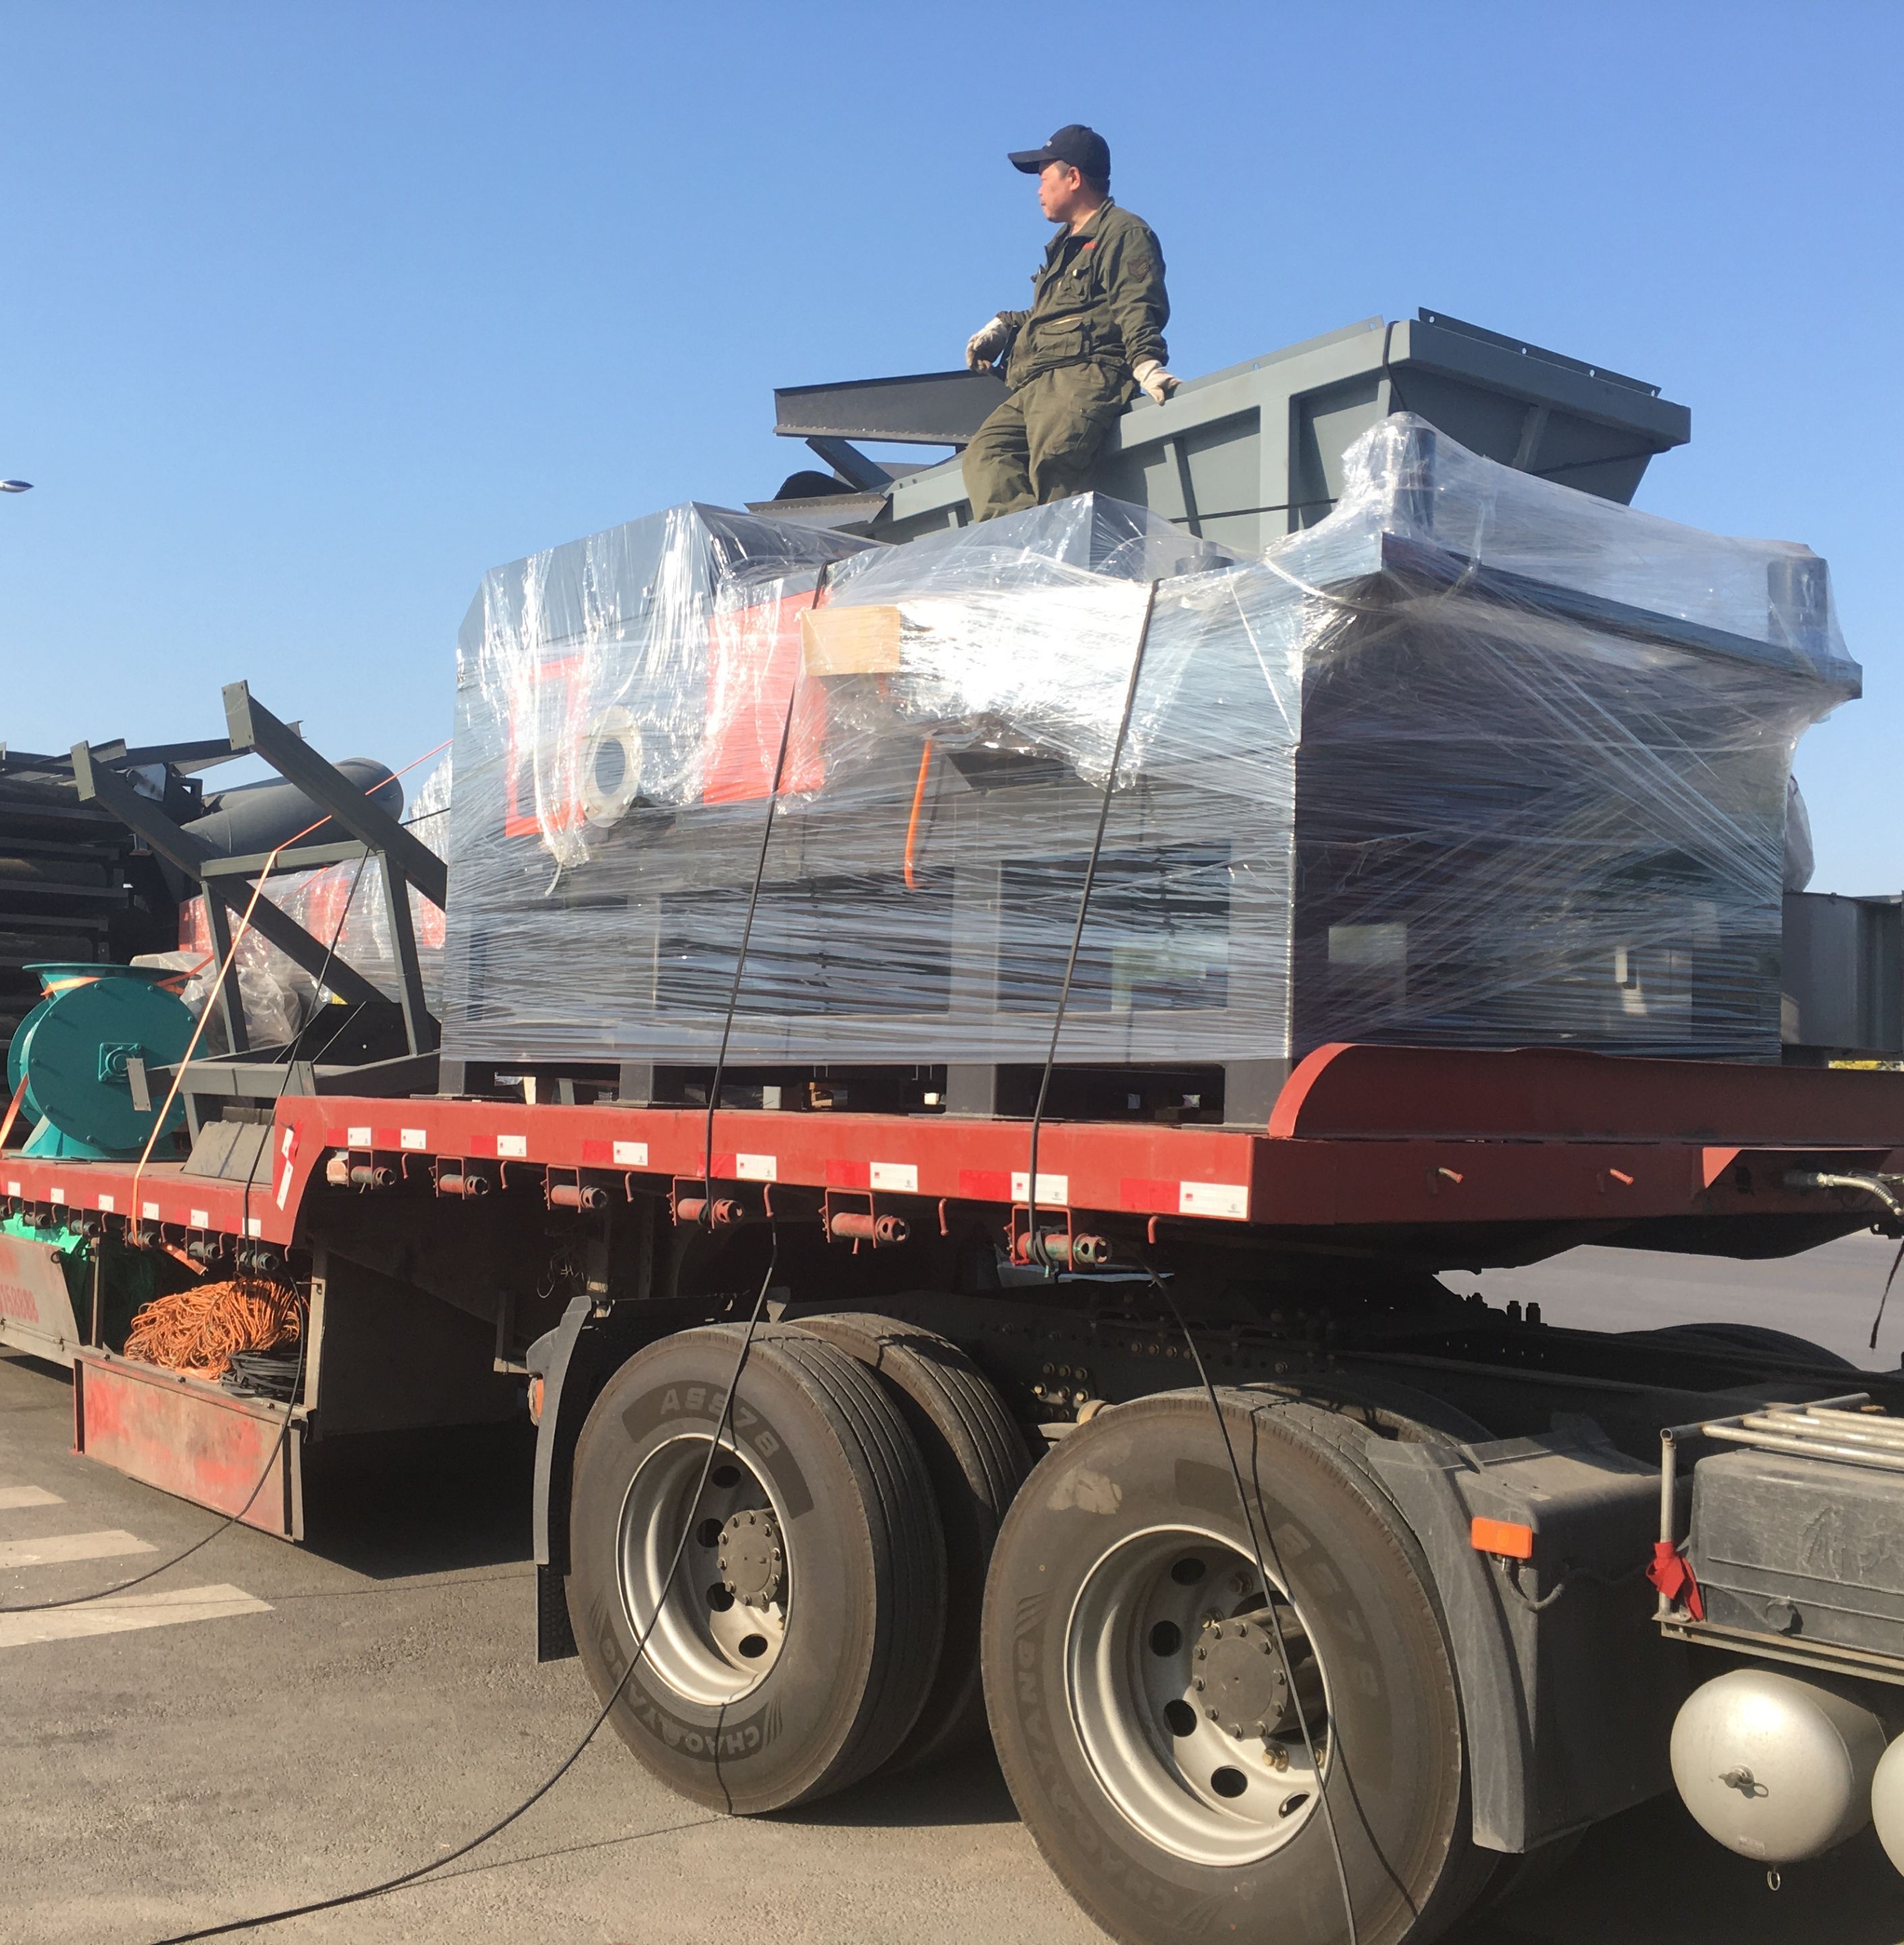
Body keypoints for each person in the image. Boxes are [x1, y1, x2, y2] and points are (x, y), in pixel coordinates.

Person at [960, 124, 1178, 522]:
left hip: (1084, 375)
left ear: (1073, 177)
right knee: (986, 454)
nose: (1038, 190)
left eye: (1044, 178)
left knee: (1055, 461)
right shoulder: (1065, 247)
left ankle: (1058, 550)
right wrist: (1006, 326)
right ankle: (1023, 547)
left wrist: (1146, 360)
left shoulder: (1123, 232)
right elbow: (1055, 313)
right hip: (1037, 382)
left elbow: (1135, 301)